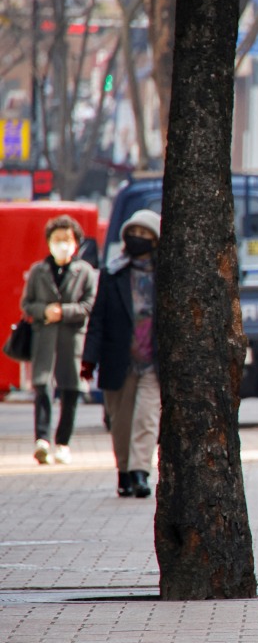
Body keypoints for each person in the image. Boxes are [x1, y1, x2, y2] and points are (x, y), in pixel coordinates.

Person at [81, 209, 164, 498]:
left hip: (153, 362)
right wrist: (89, 360)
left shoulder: (167, 277)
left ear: (155, 241)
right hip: (119, 359)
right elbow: (98, 321)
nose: (138, 239)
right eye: (134, 234)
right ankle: (125, 471)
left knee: (147, 417)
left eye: (145, 235)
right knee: (122, 421)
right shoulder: (113, 274)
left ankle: (141, 472)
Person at [21, 215, 97, 465]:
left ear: (76, 242)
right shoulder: (38, 270)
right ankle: (42, 439)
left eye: (66, 239)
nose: (61, 244)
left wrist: (63, 311)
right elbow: (27, 303)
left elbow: (88, 305)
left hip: (72, 337)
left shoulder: (85, 271)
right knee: (42, 386)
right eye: (57, 239)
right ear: (49, 242)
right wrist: (44, 311)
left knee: (71, 389)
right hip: (44, 336)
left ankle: (63, 442)